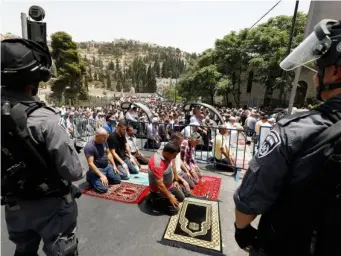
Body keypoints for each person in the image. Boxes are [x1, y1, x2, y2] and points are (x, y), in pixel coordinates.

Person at [233, 19, 341, 256]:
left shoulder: (294, 131)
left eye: (318, 67)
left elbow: (249, 200)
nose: (314, 77)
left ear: (335, 71)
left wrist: (241, 229)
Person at [1, 39, 84, 255]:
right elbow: (73, 172)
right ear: (34, 79)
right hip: (51, 208)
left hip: (15, 205)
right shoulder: (45, 120)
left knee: (24, 249)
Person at [147, 142, 185, 215]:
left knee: (181, 198)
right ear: (167, 153)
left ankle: (160, 198)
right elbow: (160, 185)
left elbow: (173, 166)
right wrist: (170, 197)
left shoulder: (167, 153)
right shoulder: (157, 163)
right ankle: (153, 199)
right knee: (174, 210)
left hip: (169, 186)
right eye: (174, 156)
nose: (174, 157)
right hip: (158, 190)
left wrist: (175, 180)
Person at [84, 128, 121, 193]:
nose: (106, 139)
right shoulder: (89, 146)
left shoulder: (104, 141)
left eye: (106, 137)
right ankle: (90, 176)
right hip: (98, 168)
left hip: (107, 166)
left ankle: (105, 176)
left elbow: (109, 153)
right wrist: (101, 175)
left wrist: (114, 165)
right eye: (104, 137)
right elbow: (90, 163)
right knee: (103, 189)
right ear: (97, 136)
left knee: (117, 180)